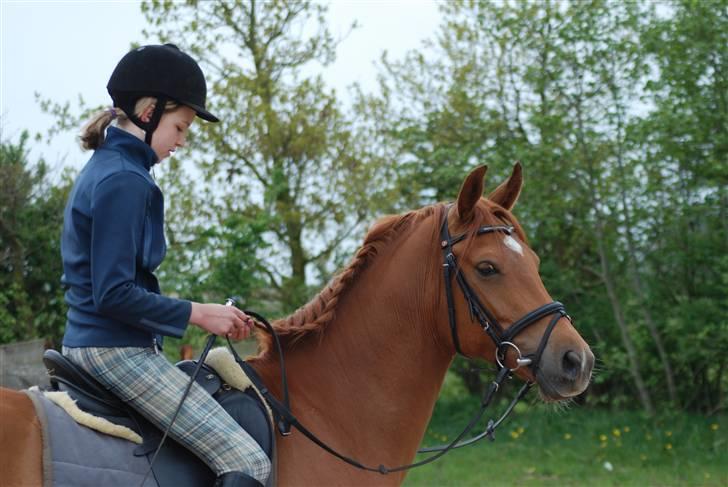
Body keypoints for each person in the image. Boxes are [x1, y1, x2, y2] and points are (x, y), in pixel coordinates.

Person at [60, 44, 270, 487]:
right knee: (250, 463)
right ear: (149, 112)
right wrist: (199, 312)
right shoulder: (124, 180)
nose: (181, 141)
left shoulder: (110, 167)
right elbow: (113, 293)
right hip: (113, 350)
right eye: (180, 126)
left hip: (96, 341)